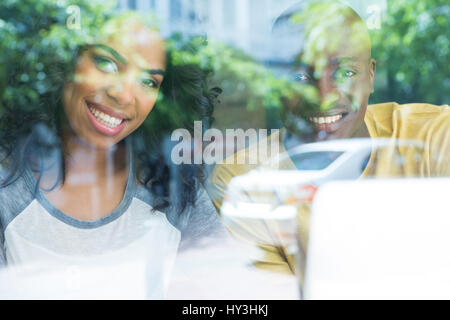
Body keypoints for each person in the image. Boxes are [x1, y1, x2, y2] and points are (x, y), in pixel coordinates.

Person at [205, 0, 450, 275]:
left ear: (370, 75)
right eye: (299, 76)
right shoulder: (245, 181)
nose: (324, 97)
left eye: (345, 73)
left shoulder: (433, 135)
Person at [0, 4, 223, 294]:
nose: (123, 94)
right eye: (107, 63)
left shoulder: (173, 190)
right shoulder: (8, 189)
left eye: (147, 81)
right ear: (66, 58)